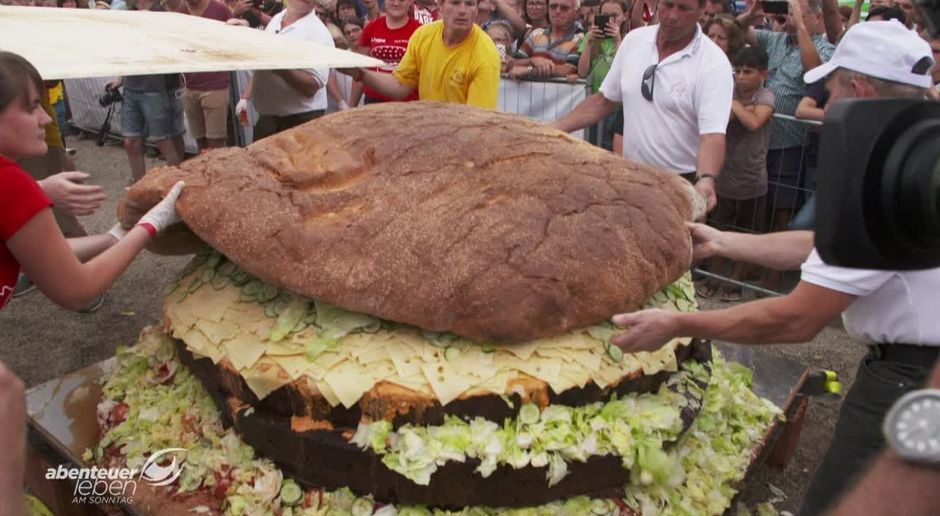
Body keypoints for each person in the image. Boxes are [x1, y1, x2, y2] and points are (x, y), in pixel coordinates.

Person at [609, 22, 936, 516]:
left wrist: (677, 324)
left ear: (861, 90)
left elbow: (796, 319)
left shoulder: (876, 187)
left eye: (832, 88)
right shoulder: (912, 165)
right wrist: (723, 240)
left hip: (908, 380)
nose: (825, 100)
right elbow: (822, 245)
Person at [0, 51, 186, 312]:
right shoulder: (10, 180)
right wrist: (150, 225)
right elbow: (78, 289)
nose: (46, 118)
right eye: (31, 107)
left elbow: (47, 253)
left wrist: (114, 237)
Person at [553, 0, 733, 211]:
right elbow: (603, 100)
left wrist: (706, 179)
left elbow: (712, 136)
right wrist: (554, 129)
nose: (673, 15)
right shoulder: (633, 42)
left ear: (702, 11)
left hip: (681, 185)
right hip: (630, 177)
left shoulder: (714, 63)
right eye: (668, 5)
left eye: (683, 8)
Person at [736, 0, 835, 235]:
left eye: (797, 13)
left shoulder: (825, 48)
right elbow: (733, 30)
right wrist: (751, 14)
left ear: (816, 18)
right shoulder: (774, 39)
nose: (790, 16)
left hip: (789, 141)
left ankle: (775, 270)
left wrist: (800, 26)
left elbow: (814, 72)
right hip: (759, 139)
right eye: (790, 12)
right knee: (758, 202)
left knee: (783, 206)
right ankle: (754, 257)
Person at [701, 45, 775, 301]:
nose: (741, 77)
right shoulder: (730, 92)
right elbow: (722, 118)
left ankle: (734, 283)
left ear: (763, 73)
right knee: (720, 229)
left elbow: (754, 122)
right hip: (724, 176)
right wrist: (740, 107)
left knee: (747, 235)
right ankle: (714, 277)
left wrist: (733, 104)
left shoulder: (766, 96)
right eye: (738, 71)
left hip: (753, 178)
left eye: (748, 72)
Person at [341, 0, 502, 109]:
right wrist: (358, 73)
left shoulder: (486, 54)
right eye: (455, 2)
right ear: (439, 5)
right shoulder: (423, 35)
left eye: (469, 4)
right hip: (425, 133)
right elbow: (400, 86)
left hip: (460, 140)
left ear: (476, 10)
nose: (462, 11)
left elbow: (477, 122)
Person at [108, 0, 187, 185]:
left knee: (164, 141)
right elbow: (125, 50)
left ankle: (177, 185)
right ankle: (139, 186)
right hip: (132, 86)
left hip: (157, 88)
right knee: (131, 142)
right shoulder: (128, 15)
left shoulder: (162, 12)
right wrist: (121, 77)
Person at [236, 0, 335, 140]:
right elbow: (264, 66)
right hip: (268, 122)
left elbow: (311, 87)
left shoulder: (319, 33)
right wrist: (245, 97)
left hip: (301, 123)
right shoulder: (277, 19)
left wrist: (282, 69)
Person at [179, 0, 234, 152]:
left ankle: (222, 175)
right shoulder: (180, 13)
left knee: (215, 144)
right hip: (188, 86)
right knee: (200, 143)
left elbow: (236, 37)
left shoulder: (220, 9)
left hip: (215, 86)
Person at [576, 0, 628, 149]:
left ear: (624, 16)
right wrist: (590, 42)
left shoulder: (628, 40)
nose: (610, 20)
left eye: (614, 16)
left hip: (616, 108)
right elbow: (582, 71)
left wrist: (618, 39)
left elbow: (625, 70)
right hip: (594, 105)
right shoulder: (589, 37)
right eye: (605, 16)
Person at [349, 0, 422, 105]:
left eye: (402, 0)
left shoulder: (420, 32)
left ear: (411, 2)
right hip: (374, 102)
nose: (396, 3)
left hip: (408, 103)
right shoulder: (371, 28)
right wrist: (351, 107)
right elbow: (359, 71)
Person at [510, 0, 582, 79]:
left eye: (564, 8)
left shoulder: (579, 40)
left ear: (576, 13)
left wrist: (529, 70)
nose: (557, 11)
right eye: (553, 7)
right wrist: (533, 60)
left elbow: (568, 69)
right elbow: (513, 63)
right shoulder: (536, 34)